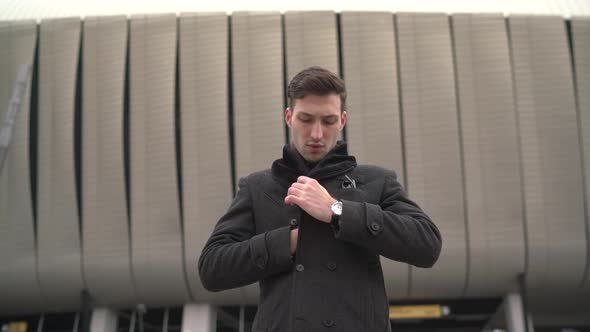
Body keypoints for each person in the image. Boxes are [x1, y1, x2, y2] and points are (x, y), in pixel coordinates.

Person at [198, 66, 442, 332]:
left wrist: (337, 211)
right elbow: (212, 267)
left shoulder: (377, 181)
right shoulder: (258, 187)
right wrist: (290, 241)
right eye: (306, 119)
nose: (316, 134)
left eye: (328, 121)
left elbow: (427, 245)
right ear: (289, 117)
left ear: (343, 120)